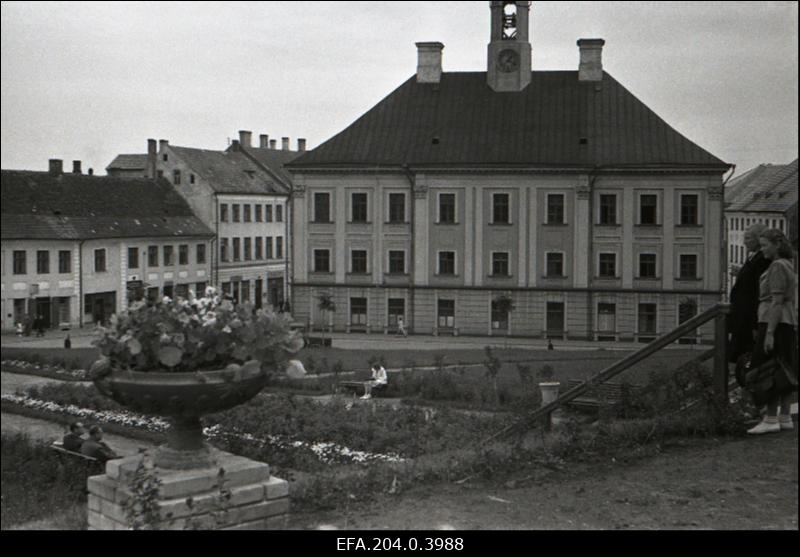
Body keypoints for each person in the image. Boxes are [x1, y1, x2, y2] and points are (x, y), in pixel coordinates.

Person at [746, 228, 798, 435]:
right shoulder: (788, 264)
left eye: (765, 245)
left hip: (773, 321)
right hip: (787, 321)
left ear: (777, 245)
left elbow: (776, 301)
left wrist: (768, 333)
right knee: (784, 369)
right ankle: (785, 416)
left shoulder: (776, 266)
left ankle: (770, 418)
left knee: (768, 370)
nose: (762, 249)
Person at [728, 223, 771, 363]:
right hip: (743, 316)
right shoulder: (754, 257)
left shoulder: (762, 259)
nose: (744, 242)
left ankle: (746, 383)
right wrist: (741, 272)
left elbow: (756, 292)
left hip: (749, 318)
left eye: (748, 238)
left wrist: (754, 325)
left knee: (747, 357)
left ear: (758, 239)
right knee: (742, 357)